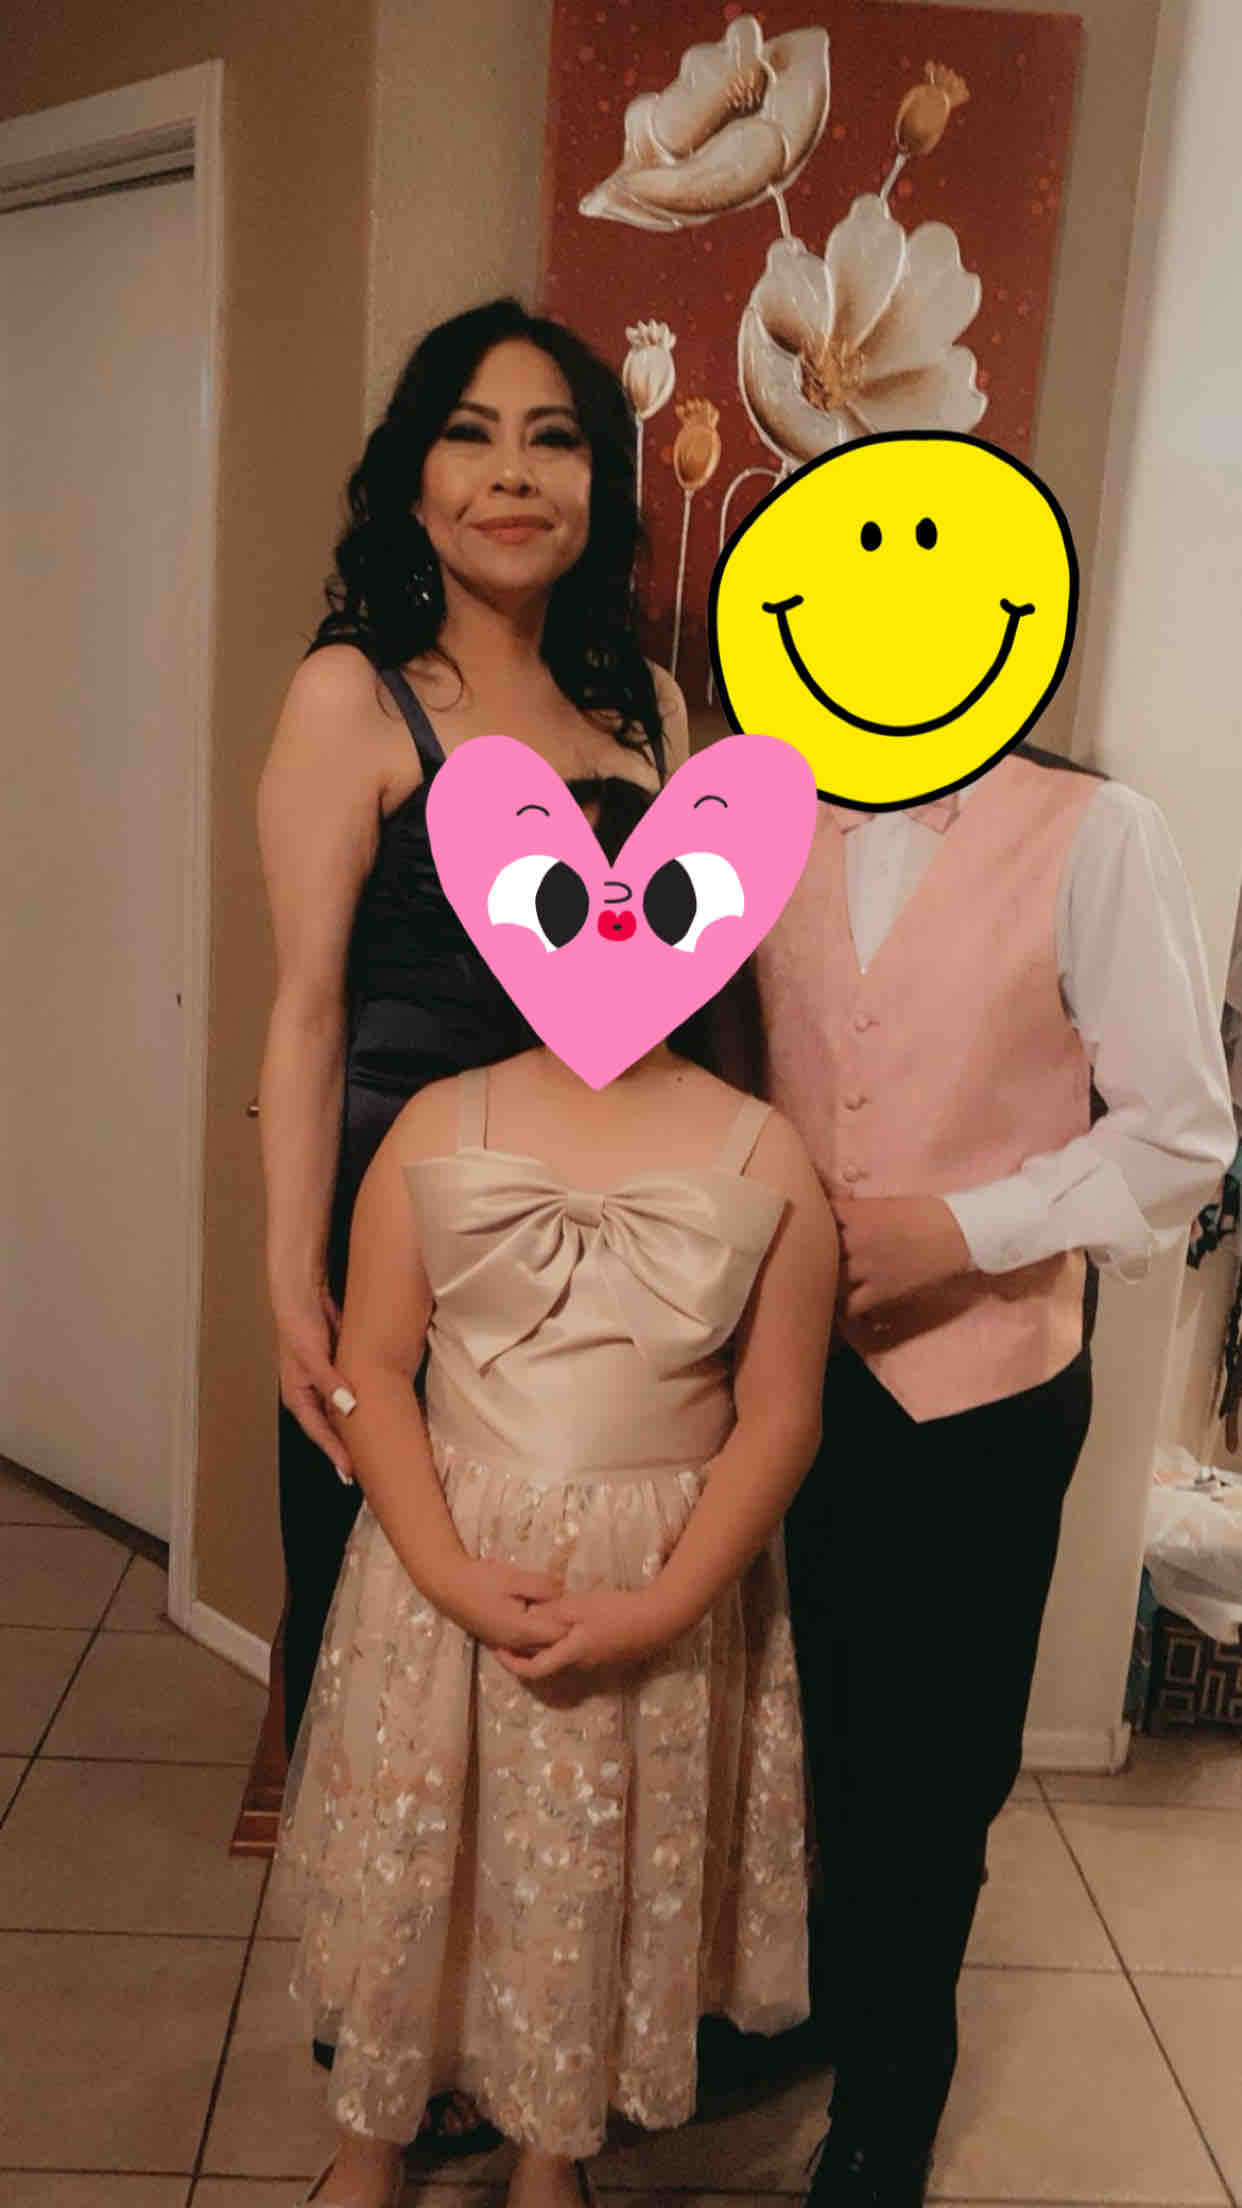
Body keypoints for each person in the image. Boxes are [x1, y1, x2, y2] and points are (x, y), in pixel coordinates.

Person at [271, 774, 838, 2208]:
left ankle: (550, 2152)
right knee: (419, 1861)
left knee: (587, 1871)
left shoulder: (760, 1149)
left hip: (657, 1584)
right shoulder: (436, 1125)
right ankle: (368, 2145)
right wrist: (443, 1568)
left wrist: (668, 1600)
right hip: (444, 1572)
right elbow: (374, 1366)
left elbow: (780, 1414)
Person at [256, 297, 689, 2147]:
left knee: (560, 1656)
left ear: (597, 485)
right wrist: (287, 1283)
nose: (513, 473)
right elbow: (305, 1010)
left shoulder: (647, 711)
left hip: (606, 1268)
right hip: (402, 1255)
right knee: (384, 1647)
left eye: (555, 437)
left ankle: (527, 2043)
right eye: (470, 431)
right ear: (412, 476)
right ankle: (387, 2046)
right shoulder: (353, 695)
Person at [754, 747, 1236, 2206]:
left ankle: (889, 2099)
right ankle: (814, 2001)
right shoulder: (758, 810)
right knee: (798, 1725)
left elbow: (1180, 1133)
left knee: (935, 1757)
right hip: (776, 1369)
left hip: (983, 1383)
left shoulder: (1094, 832)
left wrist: (965, 1228)